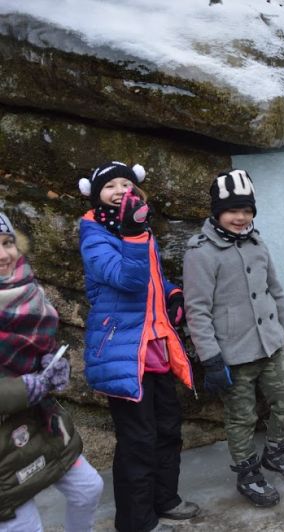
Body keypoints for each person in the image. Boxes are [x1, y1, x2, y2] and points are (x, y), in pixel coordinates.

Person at [77, 162, 198, 532]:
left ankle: (166, 499)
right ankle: (136, 520)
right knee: (138, 439)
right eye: (110, 185)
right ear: (96, 194)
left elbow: (152, 277)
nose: (119, 190)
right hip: (123, 351)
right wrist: (133, 234)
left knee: (168, 428)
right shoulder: (94, 235)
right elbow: (128, 279)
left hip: (156, 345)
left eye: (125, 183)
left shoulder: (140, 230)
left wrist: (173, 294)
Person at [183, 169, 284, 508]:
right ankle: (247, 472)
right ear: (217, 212)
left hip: (270, 345)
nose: (240, 217)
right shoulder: (201, 252)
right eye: (232, 210)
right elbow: (197, 310)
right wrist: (211, 359)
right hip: (233, 354)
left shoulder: (257, 243)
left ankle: (277, 452)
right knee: (241, 416)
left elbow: (275, 291)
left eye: (246, 210)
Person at [1, 211, 104, 532]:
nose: (3, 255)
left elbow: (42, 347)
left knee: (89, 489)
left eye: (7, 243)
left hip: (43, 427)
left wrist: (53, 364)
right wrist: (23, 389)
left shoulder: (28, 291)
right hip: (4, 451)